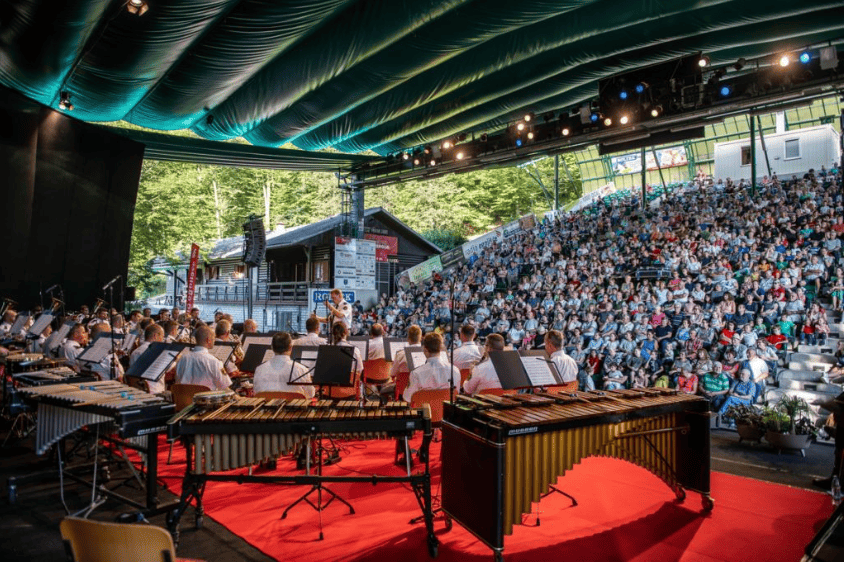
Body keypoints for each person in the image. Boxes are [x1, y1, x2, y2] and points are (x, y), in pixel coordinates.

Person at [253, 332, 314, 399]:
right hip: (294, 408)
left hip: (265, 407)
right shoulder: (302, 370)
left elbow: (256, 392)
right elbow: (310, 394)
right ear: (290, 347)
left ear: (272, 347)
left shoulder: (259, 369)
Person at [403, 332, 459, 402]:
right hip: (447, 411)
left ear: (425, 349)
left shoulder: (416, 374)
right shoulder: (455, 370)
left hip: (425, 411)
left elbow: (408, 398)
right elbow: (457, 394)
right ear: (441, 348)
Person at [175, 325, 232, 391]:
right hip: (205, 400)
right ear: (208, 340)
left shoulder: (182, 359)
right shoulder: (214, 362)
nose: (214, 341)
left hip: (184, 400)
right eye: (213, 338)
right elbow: (225, 387)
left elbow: (178, 382)